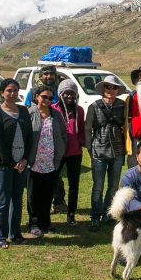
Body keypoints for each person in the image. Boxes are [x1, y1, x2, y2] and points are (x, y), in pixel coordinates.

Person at [0, 78, 33, 248]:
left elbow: (30, 137)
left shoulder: (23, 111)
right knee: (3, 201)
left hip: (22, 164)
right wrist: (11, 162)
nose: (12, 93)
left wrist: (25, 160)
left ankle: (15, 233)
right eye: (8, 90)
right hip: (4, 165)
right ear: (2, 93)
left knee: (17, 199)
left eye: (15, 90)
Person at [85, 75, 127, 232]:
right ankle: (95, 216)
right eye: (108, 87)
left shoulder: (123, 106)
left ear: (117, 90)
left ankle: (108, 214)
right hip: (99, 152)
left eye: (114, 87)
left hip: (117, 151)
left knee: (113, 186)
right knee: (98, 186)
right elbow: (88, 128)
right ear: (103, 89)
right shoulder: (94, 106)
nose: (111, 90)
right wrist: (90, 148)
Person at [26, 85, 67, 238]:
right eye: (44, 97)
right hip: (33, 162)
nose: (47, 100)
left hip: (51, 162)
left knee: (47, 194)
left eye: (50, 98)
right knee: (33, 195)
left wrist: (60, 151)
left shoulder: (56, 115)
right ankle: (34, 223)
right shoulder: (30, 113)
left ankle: (46, 222)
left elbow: (63, 134)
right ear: (36, 96)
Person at [51, 79, 86, 226]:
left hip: (74, 153)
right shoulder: (53, 109)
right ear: (60, 94)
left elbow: (82, 130)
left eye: (72, 93)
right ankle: (48, 210)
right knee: (51, 181)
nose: (69, 96)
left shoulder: (79, 110)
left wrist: (79, 141)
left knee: (74, 185)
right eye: (66, 93)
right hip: (57, 152)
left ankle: (71, 214)